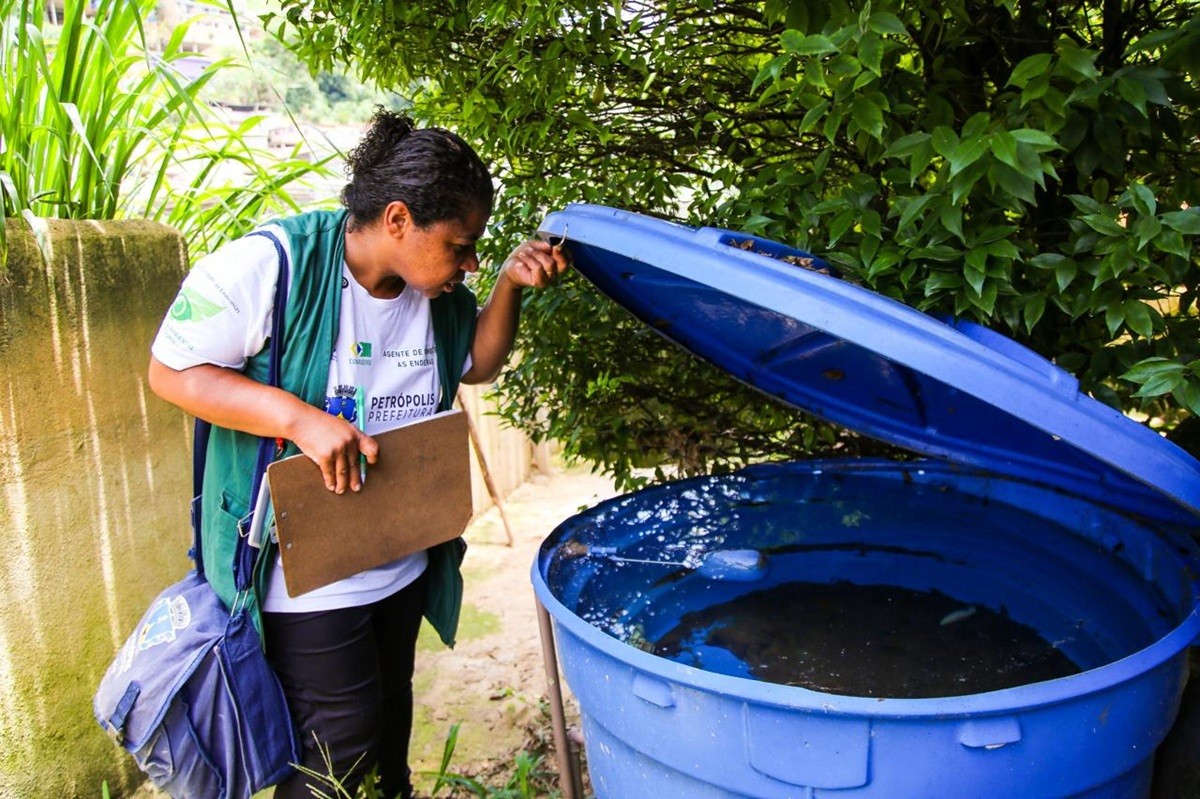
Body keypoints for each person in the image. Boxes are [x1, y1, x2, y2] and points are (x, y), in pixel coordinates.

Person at [148, 108, 569, 799]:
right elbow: (171, 370)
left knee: (387, 736)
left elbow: (478, 363)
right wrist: (300, 420)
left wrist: (508, 288)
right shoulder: (274, 265)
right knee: (335, 754)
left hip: (397, 561)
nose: (470, 263)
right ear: (398, 219)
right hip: (305, 577)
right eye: (460, 246)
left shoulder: (436, 296)